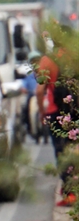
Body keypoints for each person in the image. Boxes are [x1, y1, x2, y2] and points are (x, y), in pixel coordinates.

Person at [36, 37, 75, 206]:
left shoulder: (47, 60)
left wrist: (41, 112)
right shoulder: (73, 57)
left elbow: (39, 90)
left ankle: (69, 193)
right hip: (75, 111)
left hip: (55, 112)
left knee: (61, 152)